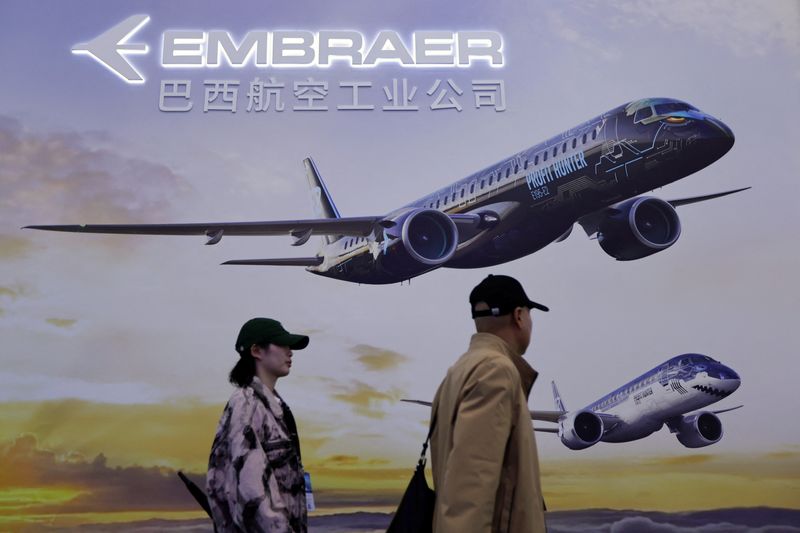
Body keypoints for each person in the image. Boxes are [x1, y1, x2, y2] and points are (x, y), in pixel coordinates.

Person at [430, 274, 548, 533]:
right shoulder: (495, 371)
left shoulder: (458, 371)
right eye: (530, 315)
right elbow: (470, 487)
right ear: (519, 316)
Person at [207, 317, 310, 533]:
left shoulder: (273, 408)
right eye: (281, 344)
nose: (290, 352)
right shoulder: (247, 405)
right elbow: (252, 492)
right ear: (256, 350)